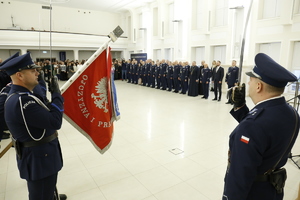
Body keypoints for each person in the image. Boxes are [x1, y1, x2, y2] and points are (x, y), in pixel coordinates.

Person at [222, 53, 299, 200]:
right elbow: (263, 132)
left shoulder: (253, 125)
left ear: (259, 86)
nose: (248, 84)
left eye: (251, 80)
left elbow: (239, 177)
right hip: (273, 190)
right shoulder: (291, 113)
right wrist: (240, 107)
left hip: (253, 192)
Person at [0, 52, 67, 200]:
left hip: (40, 156)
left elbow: (46, 108)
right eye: (32, 71)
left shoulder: (24, 96)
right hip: (39, 158)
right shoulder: (23, 101)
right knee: (41, 195)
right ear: (20, 75)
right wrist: (56, 93)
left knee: (47, 191)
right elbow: (55, 121)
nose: (37, 73)